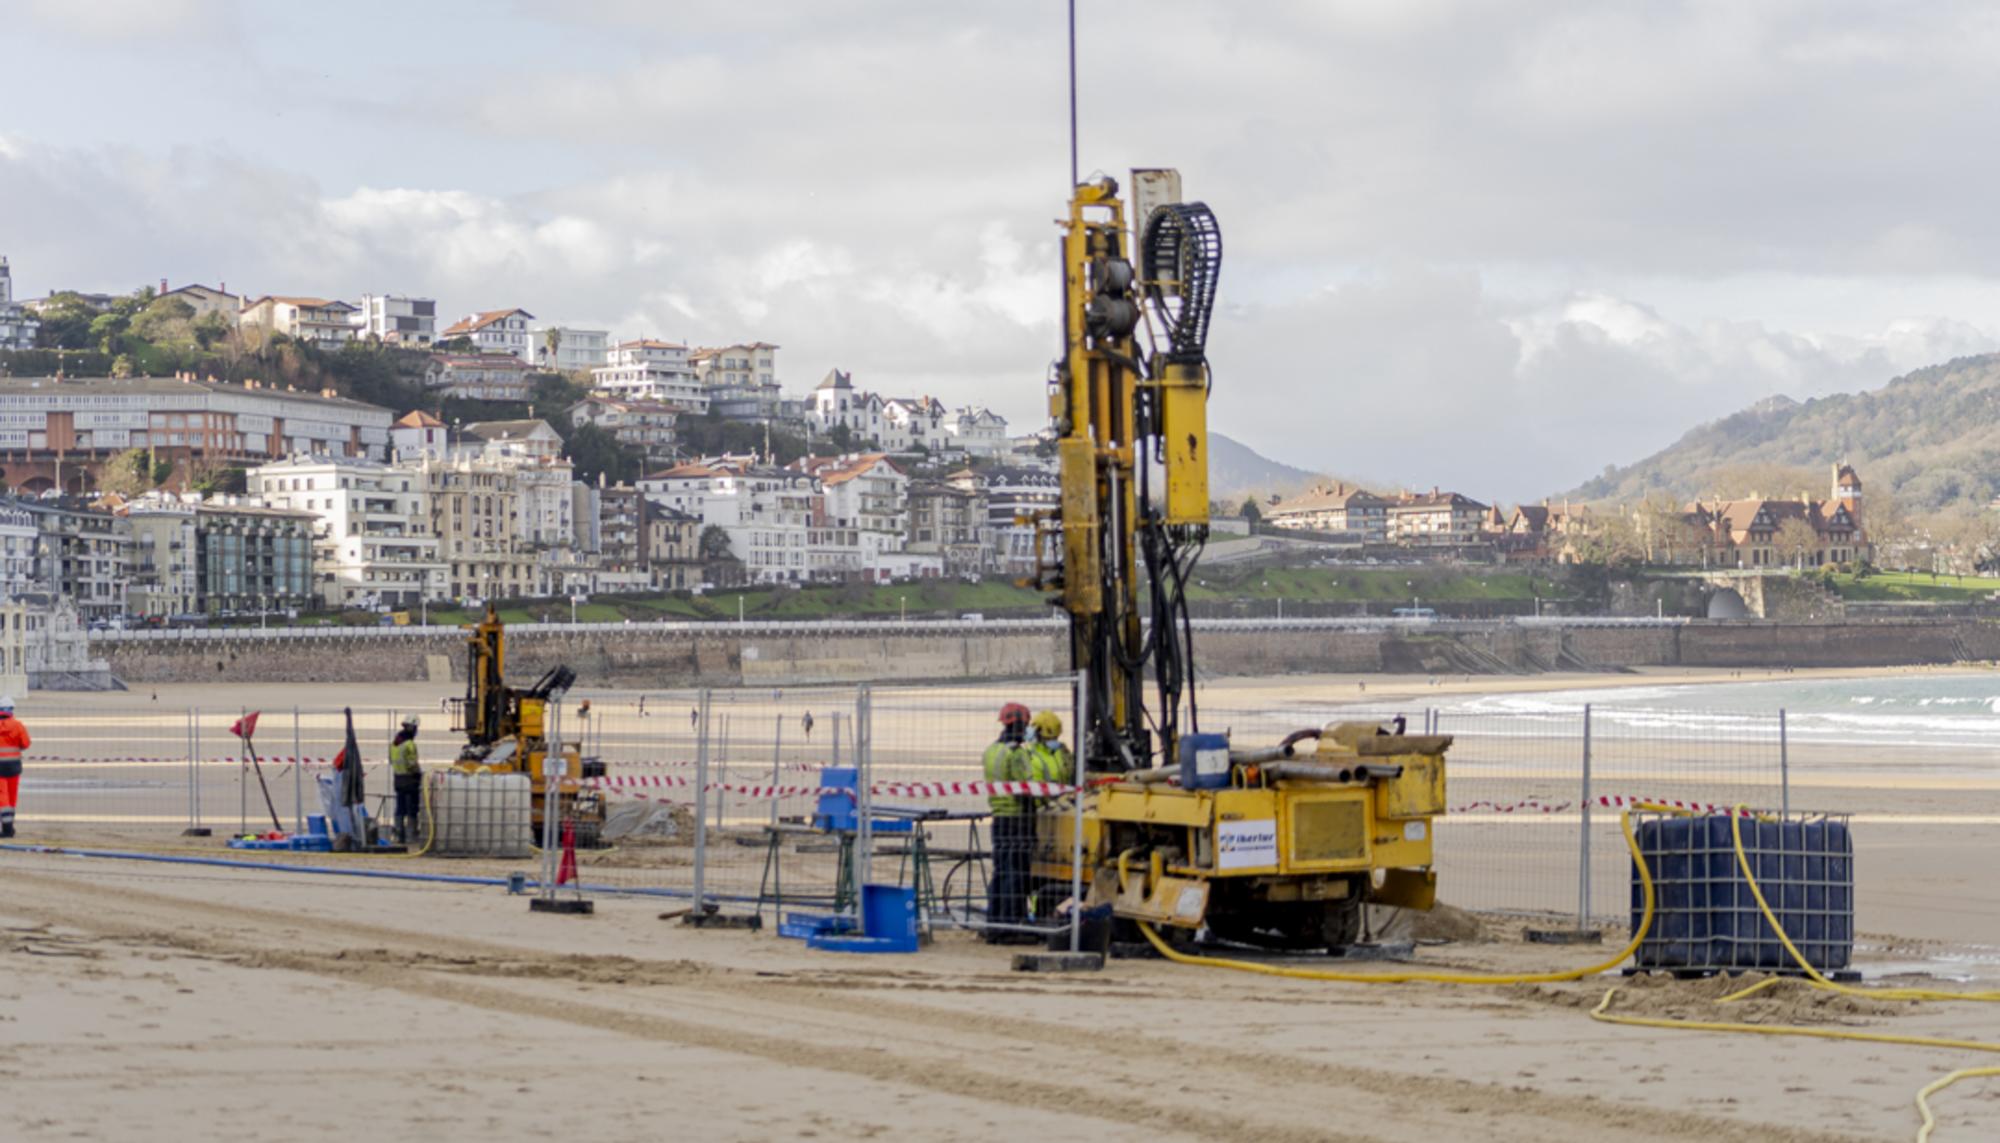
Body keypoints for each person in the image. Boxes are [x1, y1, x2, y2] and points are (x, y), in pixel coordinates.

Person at [982, 702, 1033, 940]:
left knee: (1001, 871)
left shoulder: (991, 751)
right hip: (1016, 819)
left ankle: (995, 924)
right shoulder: (1017, 754)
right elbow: (1025, 789)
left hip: (999, 818)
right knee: (1016, 873)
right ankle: (1013, 926)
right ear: (1020, 725)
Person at [389, 715, 422, 846]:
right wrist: (419, 774)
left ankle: (398, 834)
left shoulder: (394, 743)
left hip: (398, 779)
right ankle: (411, 836)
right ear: (412, 728)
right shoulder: (409, 744)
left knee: (399, 808)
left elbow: (392, 761)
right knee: (412, 809)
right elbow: (412, 764)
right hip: (410, 781)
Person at [0, 697, 28, 839]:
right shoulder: (18, 725)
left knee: (2, 797)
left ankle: (7, 828)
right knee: (11, 797)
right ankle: (10, 827)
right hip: (14, 767)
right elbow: (25, 743)